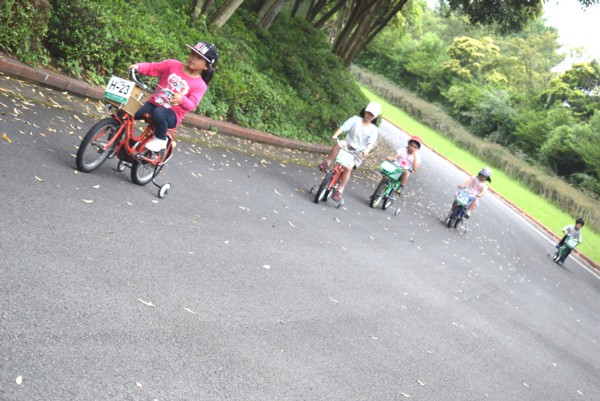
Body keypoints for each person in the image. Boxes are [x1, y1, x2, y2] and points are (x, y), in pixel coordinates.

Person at [128, 41, 218, 152]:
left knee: (159, 113)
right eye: (192, 54)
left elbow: (192, 105)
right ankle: (119, 135)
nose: (193, 58)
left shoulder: (200, 85)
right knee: (129, 110)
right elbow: (153, 67)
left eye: (199, 57)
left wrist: (182, 99)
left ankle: (161, 139)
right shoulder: (172, 65)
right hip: (153, 103)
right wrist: (138, 67)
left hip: (172, 114)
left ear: (206, 66)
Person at [318, 101, 381, 202]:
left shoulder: (374, 129)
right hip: (348, 144)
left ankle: (339, 190)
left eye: (372, 115)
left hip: (358, 152)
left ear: (375, 117)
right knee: (339, 144)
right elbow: (344, 127)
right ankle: (327, 162)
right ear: (365, 111)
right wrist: (335, 135)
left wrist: (366, 151)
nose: (369, 116)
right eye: (368, 113)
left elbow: (371, 142)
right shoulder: (355, 119)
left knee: (348, 167)